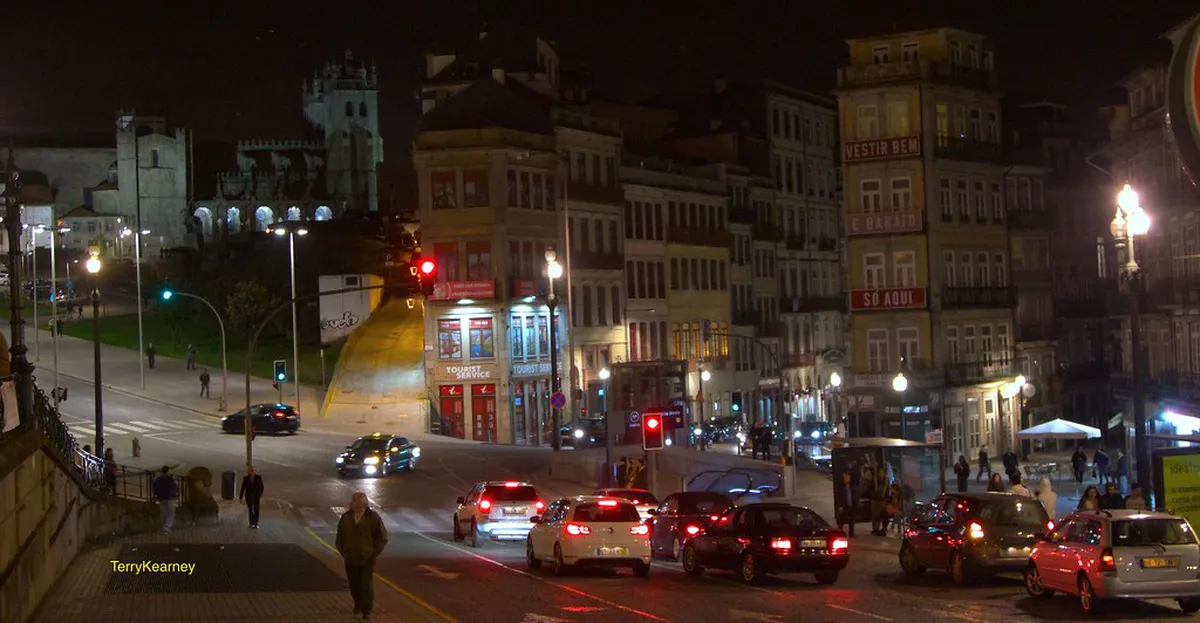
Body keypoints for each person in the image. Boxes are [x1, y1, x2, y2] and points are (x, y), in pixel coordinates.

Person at [336, 492, 388, 619]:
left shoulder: (372, 518)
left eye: (354, 501)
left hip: (367, 557)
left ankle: (366, 610)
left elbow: (381, 537)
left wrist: (373, 552)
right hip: (350, 556)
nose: (351, 502)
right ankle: (357, 604)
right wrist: (344, 551)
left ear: (362, 504)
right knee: (353, 583)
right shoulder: (346, 517)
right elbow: (340, 536)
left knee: (365, 584)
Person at [152, 466, 179, 534]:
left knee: (164, 512)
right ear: (168, 471)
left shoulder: (158, 479)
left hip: (161, 498)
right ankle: (166, 527)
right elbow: (174, 488)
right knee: (171, 513)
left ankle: (164, 526)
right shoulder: (171, 479)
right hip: (170, 498)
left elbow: (155, 489)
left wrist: (156, 496)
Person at [837, 471, 859, 537]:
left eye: (848, 478)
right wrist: (840, 505)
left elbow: (854, 494)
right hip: (844, 505)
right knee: (842, 520)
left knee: (852, 520)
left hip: (851, 505)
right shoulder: (841, 486)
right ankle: (839, 533)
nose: (847, 480)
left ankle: (851, 533)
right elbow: (839, 496)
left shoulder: (852, 485)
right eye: (846, 478)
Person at [870, 467, 889, 536]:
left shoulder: (886, 481)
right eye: (879, 473)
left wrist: (885, 499)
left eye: (882, 473)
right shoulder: (875, 480)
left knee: (881, 514)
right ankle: (875, 528)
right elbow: (872, 489)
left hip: (882, 500)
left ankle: (881, 528)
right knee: (874, 514)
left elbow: (887, 491)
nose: (880, 474)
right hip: (875, 500)